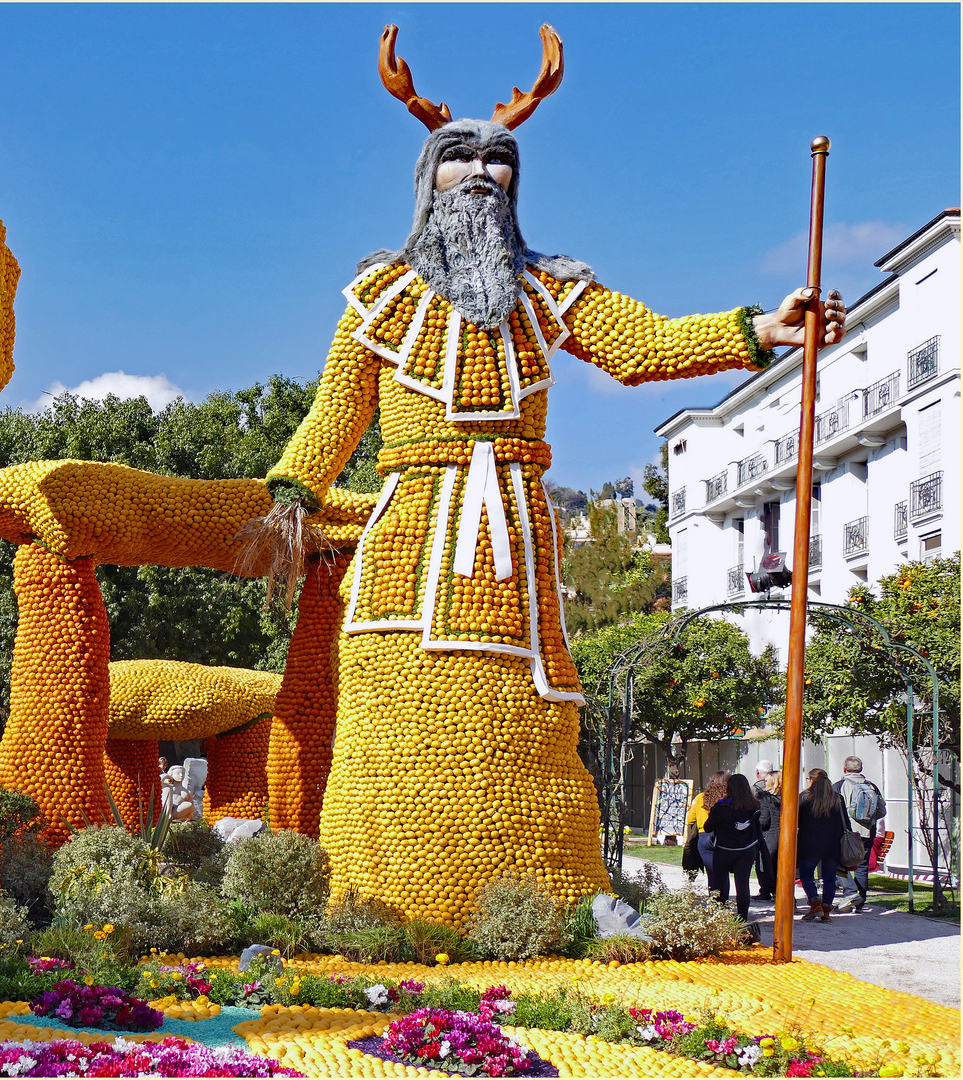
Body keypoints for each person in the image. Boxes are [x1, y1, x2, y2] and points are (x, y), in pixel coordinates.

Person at [232, 24, 847, 916]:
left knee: (529, 698)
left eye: (499, 163)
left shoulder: (550, 287)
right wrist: (291, 490)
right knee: (392, 692)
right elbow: (335, 412)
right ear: (427, 180)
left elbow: (644, 343)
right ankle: (376, 890)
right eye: (459, 160)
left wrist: (759, 331)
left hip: (516, 524)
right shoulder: (379, 293)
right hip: (413, 516)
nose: (480, 174)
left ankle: (549, 886)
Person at [704, 773, 762, 926]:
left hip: (724, 849)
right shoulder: (755, 807)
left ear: (729, 787)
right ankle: (742, 919)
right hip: (746, 850)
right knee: (742, 885)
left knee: (720, 883)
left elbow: (708, 827)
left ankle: (720, 916)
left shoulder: (721, 807)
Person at [833, 756, 886, 913]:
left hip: (846, 833)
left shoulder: (839, 786)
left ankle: (849, 895)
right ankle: (860, 902)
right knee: (862, 868)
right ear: (861, 769)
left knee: (839, 864)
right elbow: (882, 810)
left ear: (845, 768)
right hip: (867, 832)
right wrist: (869, 820)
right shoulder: (871, 786)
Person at [797, 770, 849, 922]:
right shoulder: (837, 798)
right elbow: (844, 821)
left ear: (811, 780)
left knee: (806, 874)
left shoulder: (805, 797)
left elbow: (797, 820)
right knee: (829, 878)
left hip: (809, 842)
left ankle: (815, 903)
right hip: (832, 843)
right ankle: (826, 911)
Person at [686, 772, 727, 889]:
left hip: (704, 836)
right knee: (723, 872)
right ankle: (724, 899)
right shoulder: (728, 799)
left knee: (711, 873)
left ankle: (714, 901)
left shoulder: (700, 798)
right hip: (724, 836)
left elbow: (689, 819)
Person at [755, 770, 784, 902]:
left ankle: (765, 891)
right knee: (779, 865)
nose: (764, 783)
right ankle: (778, 890)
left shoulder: (764, 798)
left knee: (764, 864)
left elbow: (764, 820)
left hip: (769, 834)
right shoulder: (786, 796)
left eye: (766, 780)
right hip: (783, 834)